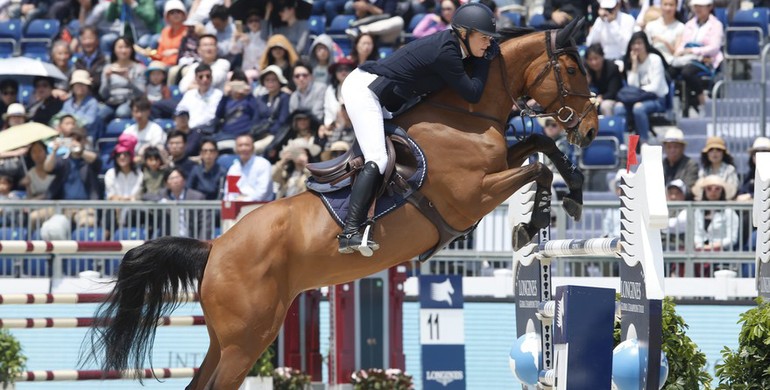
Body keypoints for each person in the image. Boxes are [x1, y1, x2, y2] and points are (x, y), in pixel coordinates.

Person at [337, 2, 498, 255]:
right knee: (378, 159)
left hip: (387, 97)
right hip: (365, 90)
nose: (489, 43)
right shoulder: (447, 52)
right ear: (465, 34)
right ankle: (350, 231)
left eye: (491, 39)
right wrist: (487, 60)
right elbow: (474, 93)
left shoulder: (456, 49)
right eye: (485, 38)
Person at [613, 31, 669, 144]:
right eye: (634, 44)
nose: (636, 46)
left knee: (638, 108)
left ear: (646, 44)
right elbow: (631, 86)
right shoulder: (630, 60)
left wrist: (639, 91)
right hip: (636, 99)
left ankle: (644, 141)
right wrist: (634, 64)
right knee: (618, 107)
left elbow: (656, 87)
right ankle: (624, 143)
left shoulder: (655, 59)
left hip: (657, 99)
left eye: (639, 43)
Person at [670, 0, 723, 116]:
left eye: (701, 6)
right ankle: (673, 106)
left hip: (706, 60)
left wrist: (694, 50)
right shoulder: (689, 24)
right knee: (670, 71)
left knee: (687, 72)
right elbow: (683, 43)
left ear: (709, 7)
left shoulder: (716, 25)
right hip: (687, 58)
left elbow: (714, 47)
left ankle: (701, 99)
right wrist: (680, 51)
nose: (698, 9)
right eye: (696, 6)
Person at [99, 37, 147, 119]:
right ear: (114, 49)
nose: (123, 51)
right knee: (100, 115)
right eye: (120, 47)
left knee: (122, 113)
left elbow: (141, 93)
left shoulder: (139, 68)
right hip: (112, 101)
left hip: (129, 101)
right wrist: (107, 79)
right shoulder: (108, 68)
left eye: (126, 47)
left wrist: (129, 80)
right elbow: (103, 94)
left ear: (131, 49)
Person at [692, 174, 739, 253]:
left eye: (717, 189)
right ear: (704, 191)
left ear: (722, 191)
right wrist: (700, 245)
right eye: (709, 188)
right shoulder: (698, 211)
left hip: (722, 254)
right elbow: (695, 233)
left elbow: (732, 239)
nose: (713, 191)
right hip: (700, 253)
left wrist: (711, 246)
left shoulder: (729, 212)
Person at [175, 63, 224, 132]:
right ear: (196, 78)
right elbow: (179, 110)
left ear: (212, 78)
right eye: (201, 77)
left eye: (208, 76)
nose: (205, 79)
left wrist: (193, 127)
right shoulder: (189, 94)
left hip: (207, 131)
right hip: (188, 130)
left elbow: (212, 117)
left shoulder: (218, 95)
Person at [225, 133, 274, 201]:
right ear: (236, 149)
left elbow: (262, 193)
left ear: (253, 147)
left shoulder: (263, 164)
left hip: (261, 207)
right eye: (240, 145)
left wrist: (244, 200)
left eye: (247, 145)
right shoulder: (233, 169)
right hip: (237, 207)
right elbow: (230, 193)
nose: (244, 148)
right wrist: (235, 201)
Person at [123, 96, 166, 163]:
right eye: (136, 111)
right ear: (132, 113)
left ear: (148, 112)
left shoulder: (156, 129)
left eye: (142, 111)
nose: (139, 115)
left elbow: (158, 150)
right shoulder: (128, 131)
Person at [585, 44, 622, 117]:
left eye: (596, 58)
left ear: (602, 57)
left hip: (612, 98)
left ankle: (609, 127)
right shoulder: (586, 70)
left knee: (605, 106)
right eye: (590, 59)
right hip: (595, 98)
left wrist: (601, 98)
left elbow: (613, 92)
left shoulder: (612, 68)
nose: (594, 62)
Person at [644, 0, 685, 66]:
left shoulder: (681, 27)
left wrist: (664, 42)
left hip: (669, 63)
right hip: (650, 62)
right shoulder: (650, 26)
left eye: (671, 5)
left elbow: (676, 53)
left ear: (676, 6)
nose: (668, 8)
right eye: (665, 4)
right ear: (661, 6)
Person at [661, 127, 698, 198]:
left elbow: (689, 188)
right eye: (669, 147)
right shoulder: (660, 165)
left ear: (683, 148)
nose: (672, 150)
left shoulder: (691, 165)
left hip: (684, 205)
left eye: (675, 147)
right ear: (665, 148)